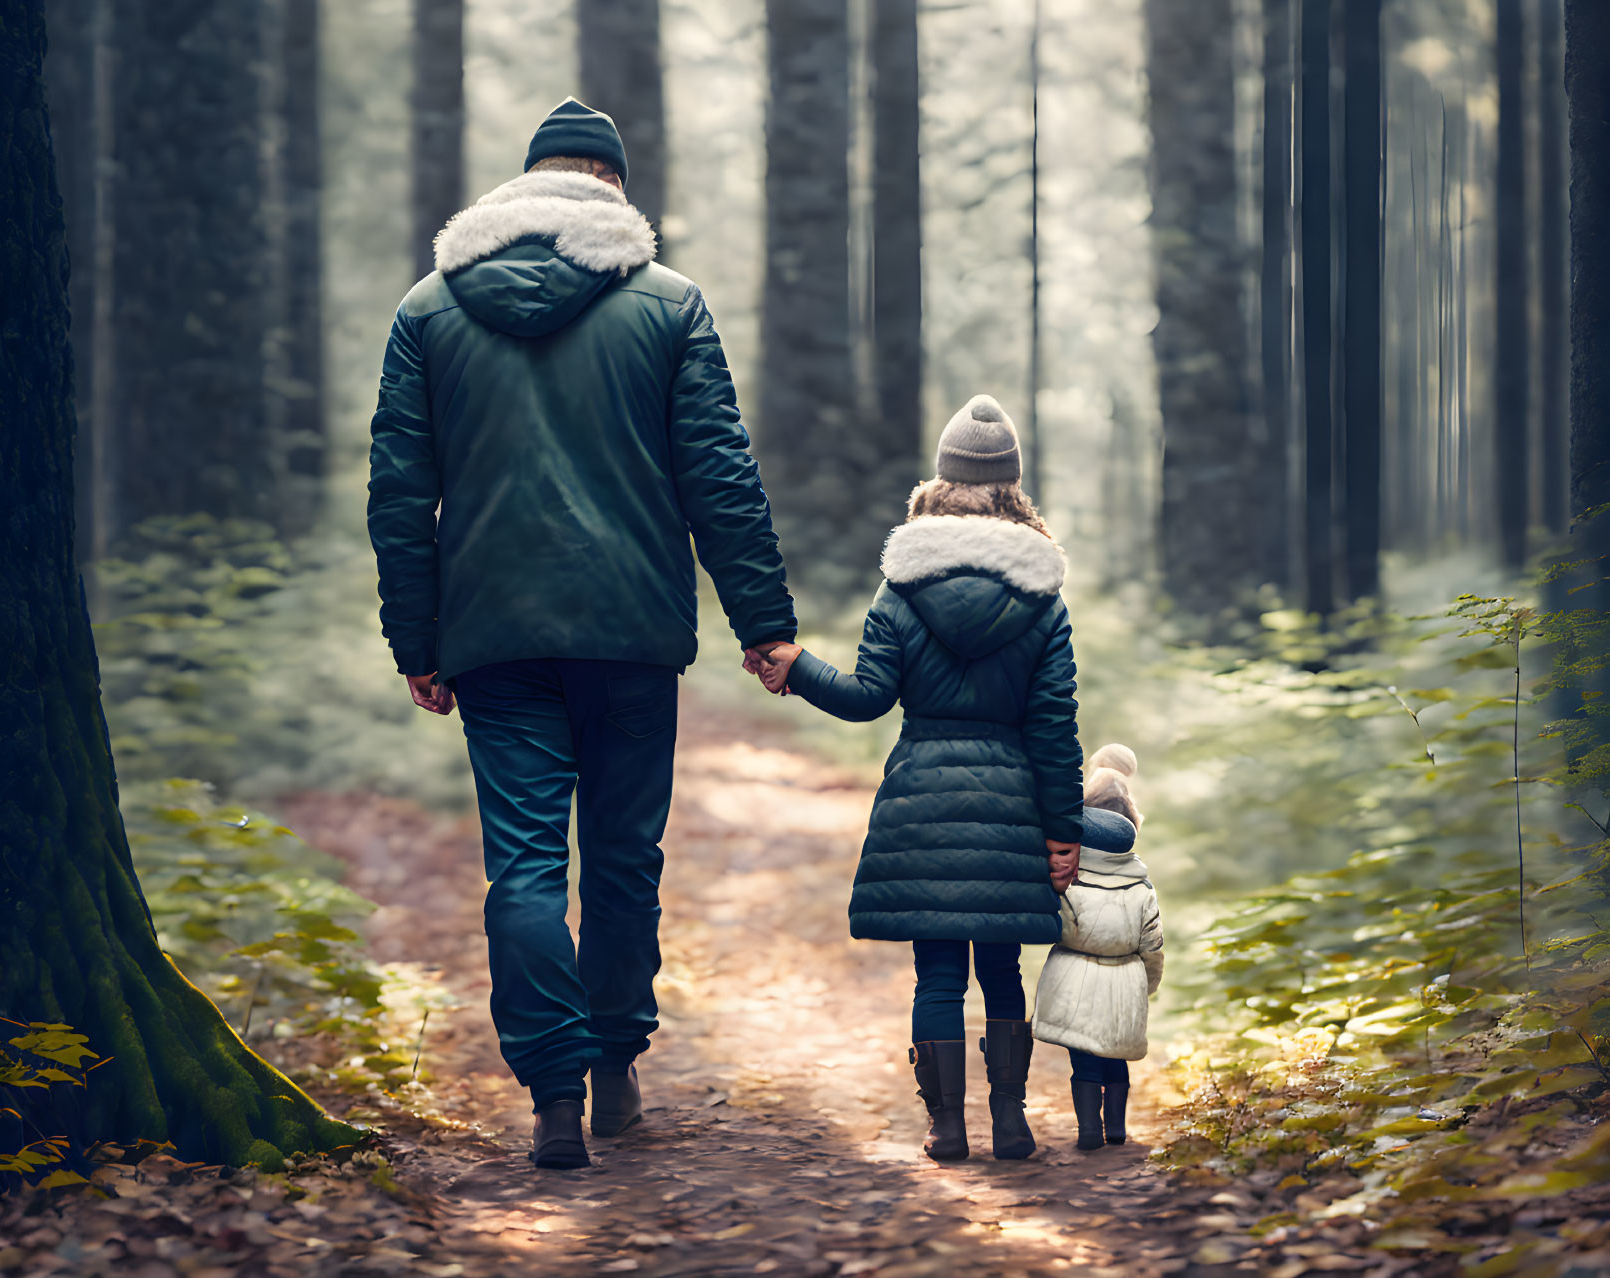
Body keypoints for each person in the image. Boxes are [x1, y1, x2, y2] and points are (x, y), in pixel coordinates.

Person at [366, 98, 797, 1169]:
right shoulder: (668, 304)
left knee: (520, 865)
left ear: (522, 189)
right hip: (631, 632)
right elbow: (720, 479)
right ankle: (613, 1069)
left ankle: (552, 1094)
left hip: (492, 637)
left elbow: (397, 493)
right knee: (620, 856)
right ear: (611, 186)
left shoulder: (428, 309)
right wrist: (764, 626)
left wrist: (414, 639)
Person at [755, 395, 1122, 1162]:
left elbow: (865, 700)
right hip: (1012, 812)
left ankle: (946, 1128)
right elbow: (1054, 730)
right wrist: (1062, 833)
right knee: (1001, 969)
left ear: (941, 483)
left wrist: (798, 670)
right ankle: (1012, 1124)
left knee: (937, 975)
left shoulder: (901, 589)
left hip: (921, 803)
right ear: (1012, 490)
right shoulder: (1041, 602)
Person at [1031, 746, 1164, 1150]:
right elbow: (1153, 944)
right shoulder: (1142, 888)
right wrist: (1148, 985)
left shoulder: (1070, 880)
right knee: (1115, 1059)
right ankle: (1117, 1129)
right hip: (1124, 979)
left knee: (1084, 1061)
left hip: (1074, 978)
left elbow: (1053, 925)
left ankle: (1089, 1129)